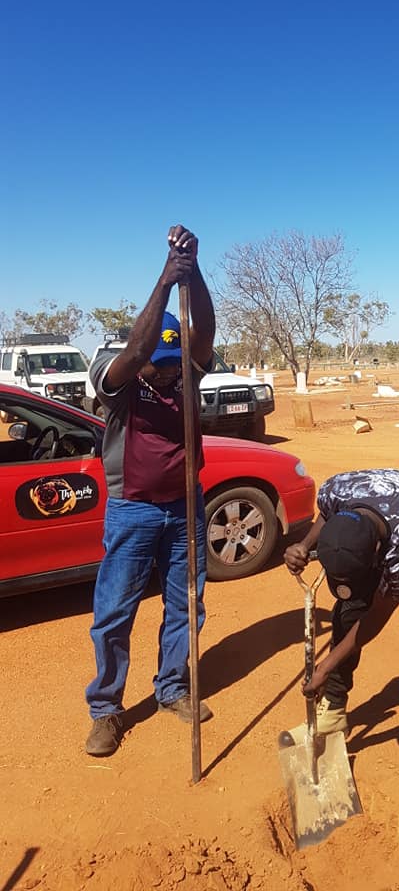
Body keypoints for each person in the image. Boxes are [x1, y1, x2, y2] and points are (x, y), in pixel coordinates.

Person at [84, 225, 216, 757]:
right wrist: (166, 278)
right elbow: (138, 347)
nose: (166, 378)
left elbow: (203, 328)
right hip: (133, 511)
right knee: (115, 612)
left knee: (187, 606)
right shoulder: (116, 378)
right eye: (157, 368)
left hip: (187, 509)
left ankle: (173, 689)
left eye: (172, 366)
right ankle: (106, 710)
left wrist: (194, 269)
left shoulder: (185, 370)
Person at [279, 468, 399, 813]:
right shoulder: (336, 489)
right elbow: (327, 514)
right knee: (347, 609)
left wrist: (325, 665)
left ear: (378, 552)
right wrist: (304, 545)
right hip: (380, 514)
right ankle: (335, 709)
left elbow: (375, 620)